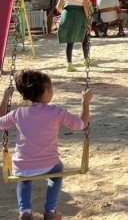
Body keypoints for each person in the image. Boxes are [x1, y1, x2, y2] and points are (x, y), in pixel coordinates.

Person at [0, 70, 92, 220]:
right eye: (50, 88)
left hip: (23, 165)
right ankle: (50, 210)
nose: (52, 91)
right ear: (44, 92)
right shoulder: (56, 112)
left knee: (23, 177)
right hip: (50, 164)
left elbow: (0, 122)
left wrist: (5, 99)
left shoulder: (18, 113)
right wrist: (85, 102)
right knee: (57, 172)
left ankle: (25, 211)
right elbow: (81, 125)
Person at [56, 0, 91, 72]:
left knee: (69, 41)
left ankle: (69, 64)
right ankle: (86, 59)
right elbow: (85, 7)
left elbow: (58, 7)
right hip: (80, 16)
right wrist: (89, 20)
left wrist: (65, 14)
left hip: (67, 15)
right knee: (84, 38)